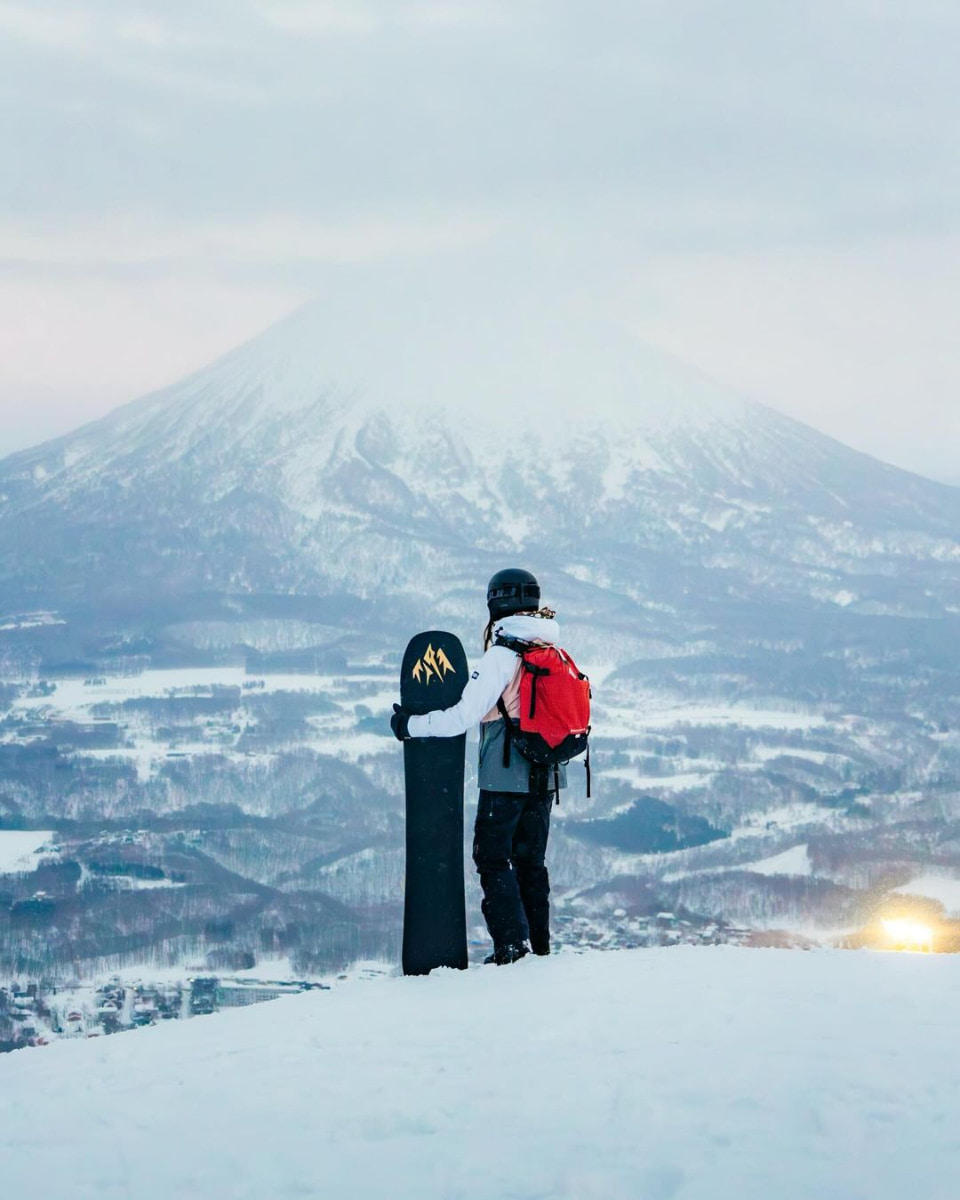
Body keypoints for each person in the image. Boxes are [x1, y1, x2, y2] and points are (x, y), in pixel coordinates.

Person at [390, 568, 566, 965]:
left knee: (491, 857)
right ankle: (538, 947)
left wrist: (410, 726)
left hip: (506, 775)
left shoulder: (503, 656)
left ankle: (511, 947)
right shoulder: (551, 651)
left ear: (496, 603)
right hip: (548, 773)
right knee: (530, 862)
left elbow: (461, 717)